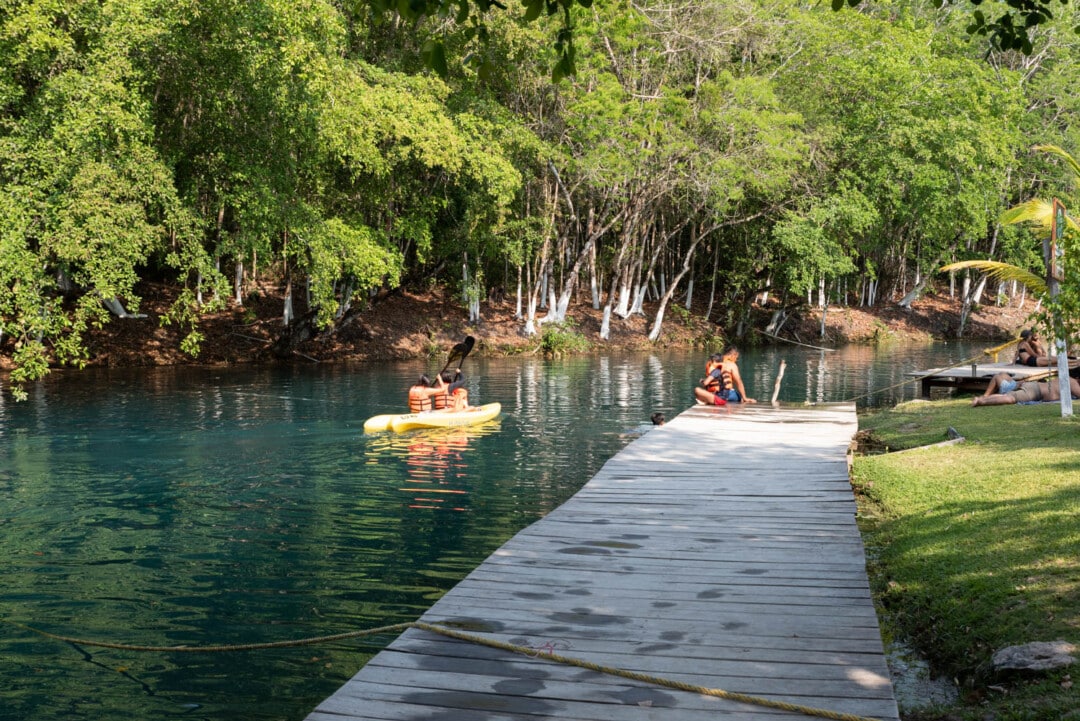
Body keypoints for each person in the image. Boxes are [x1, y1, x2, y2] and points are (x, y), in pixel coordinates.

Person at [972, 375, 1080, 406]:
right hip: (1036, 391)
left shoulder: (1065, 379)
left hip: (1035, 387)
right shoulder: (1073, 382)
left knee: (1008, 395)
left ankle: (981, 399)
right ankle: (981, 402)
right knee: (1010, 399)